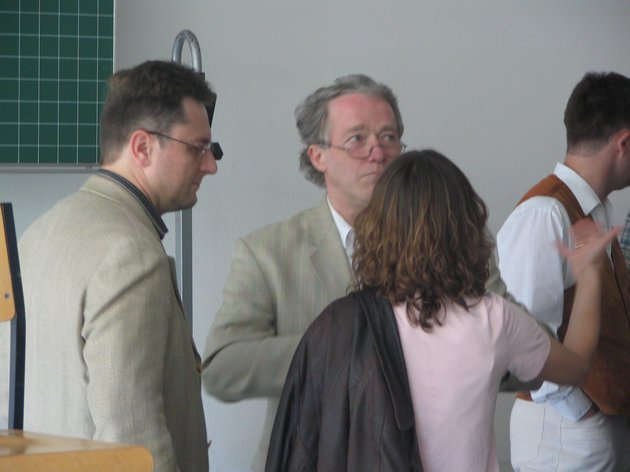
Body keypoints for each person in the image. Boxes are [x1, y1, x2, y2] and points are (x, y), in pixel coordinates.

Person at [202, 74, 526, 471]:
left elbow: (528, 354)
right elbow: (223, 368)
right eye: (357, 139)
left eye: (389, 137)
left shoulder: (457, 242)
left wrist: (464, 349)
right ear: (318, 156)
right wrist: (350, 351)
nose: (378, 152)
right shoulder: (267, 252)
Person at [266, 149, 617, 472]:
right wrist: (588, 273)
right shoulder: (495, 318)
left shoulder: (341, 323)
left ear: (376, 228)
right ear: (466, 228)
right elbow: (576, 366)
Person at [19, 60, 220, 472]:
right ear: (142, 147)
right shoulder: (130, 254)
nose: (210, 165)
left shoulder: (37, 232)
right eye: (197, 148)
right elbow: (132, 440)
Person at [497, 71, 630, 471]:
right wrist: (584, 415)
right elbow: (523, 342)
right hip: (566, 435)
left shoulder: (595, 207)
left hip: (589, 429)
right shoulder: (544, 215)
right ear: (624, 143)